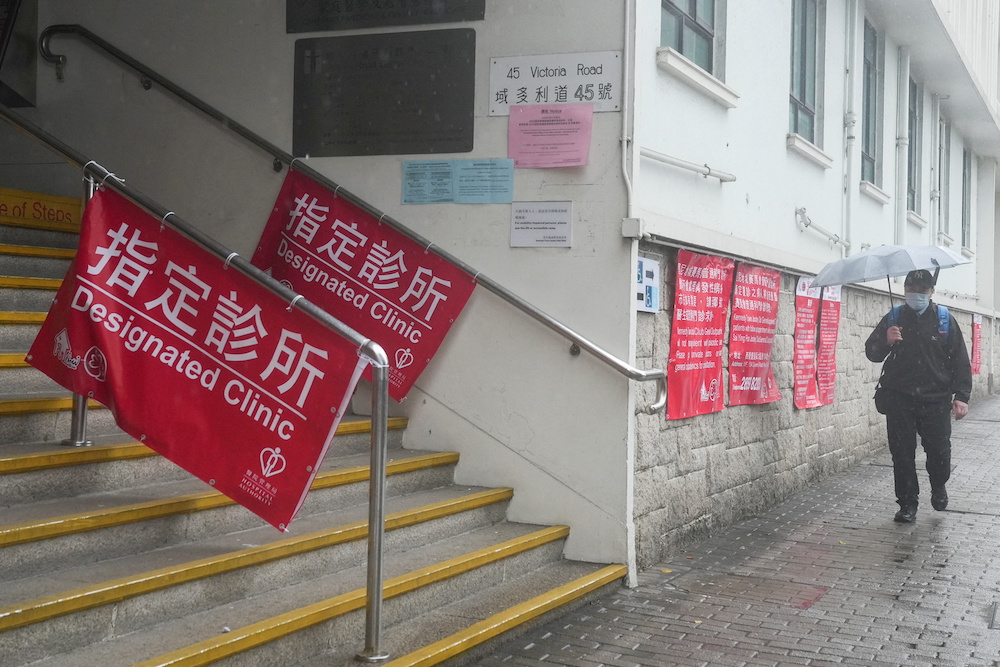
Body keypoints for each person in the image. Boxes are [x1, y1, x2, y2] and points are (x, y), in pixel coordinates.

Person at [865, 269, 971, 523]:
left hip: (935, 399)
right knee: (901, 453)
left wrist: (962, 396)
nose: (916, 295)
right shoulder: (894, 317)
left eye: (922, 291)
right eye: (911, 290)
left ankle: (938, 485)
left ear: (931, 292)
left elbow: (960, 360)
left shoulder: (944, 320)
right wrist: (886, 340)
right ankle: (907, 503)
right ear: (905, 291)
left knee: (939, 452)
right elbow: (872, 352)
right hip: (899, 398)